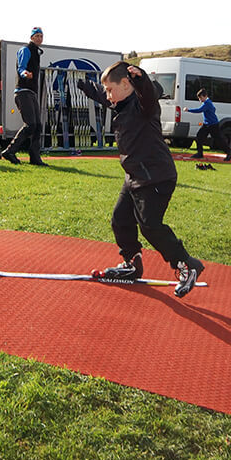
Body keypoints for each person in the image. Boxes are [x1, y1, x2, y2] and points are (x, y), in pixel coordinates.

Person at [77, 62, 204, 297]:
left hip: (156, 176)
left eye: (110, 89)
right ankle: (132, 264)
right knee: (120, 219)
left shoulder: (144, 106)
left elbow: (147, 93)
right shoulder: (121, 103)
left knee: (150, 226)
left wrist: (141, 78)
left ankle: (187, 264)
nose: (108, 96)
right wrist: (86, 87)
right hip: (135, 175)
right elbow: (105, 97)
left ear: (126, 85)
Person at [2, 27, 46, 166]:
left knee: (38, 126)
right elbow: (21, 67)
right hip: (22, 92)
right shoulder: (25, 49)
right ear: (31, 37)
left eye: (41, 36)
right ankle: (9, 151)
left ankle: (35, 158)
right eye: (37, 36)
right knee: (31, 124)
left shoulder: (37, 52)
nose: (39, 38)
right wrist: (25, 73)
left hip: (31, 92)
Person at [186, 88, 231, 162]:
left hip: (213, 125)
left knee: (219, 140)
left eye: (200, 97)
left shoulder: (207, 103)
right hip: (207, 124)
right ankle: (200, 153)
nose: (199, 99)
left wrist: (188, 110)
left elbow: (199, 110)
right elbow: (214, 109)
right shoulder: (208, 102)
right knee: (199, 137)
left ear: (205, 96)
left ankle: (229, 152)